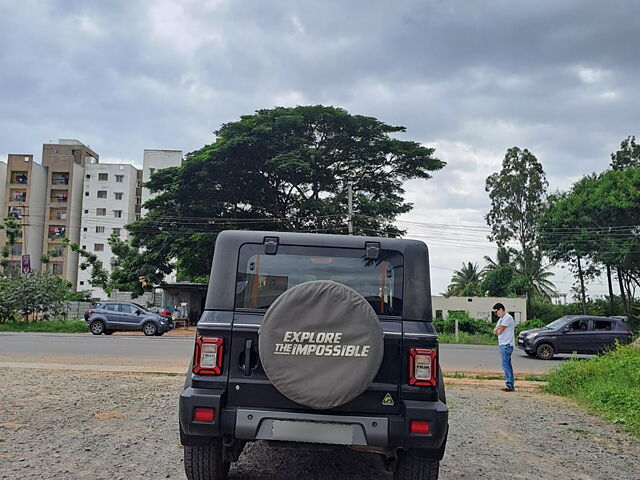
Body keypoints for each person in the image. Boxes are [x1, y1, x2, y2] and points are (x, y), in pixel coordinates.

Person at [492, 303, 515, 392]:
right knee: (506, 364)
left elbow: (500, 329)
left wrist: (497, 329)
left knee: (506, 365)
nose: (496, 314)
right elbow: (496, 331)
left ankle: (509, 384)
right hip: (502, 344)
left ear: (501, 309)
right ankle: (509, 384)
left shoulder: (508, 317)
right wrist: (497, 329)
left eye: (496, 311)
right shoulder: (501, 319)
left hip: (507, 344)